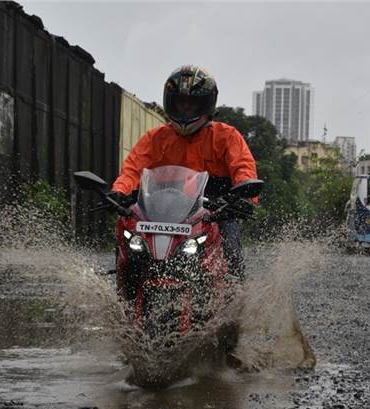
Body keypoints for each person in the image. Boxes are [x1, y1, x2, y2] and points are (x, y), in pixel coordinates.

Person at [109, 65, 259, 278]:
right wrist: (119, 192)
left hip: (215, 212)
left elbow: (244, 169)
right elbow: (132, 169)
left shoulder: (227, 137)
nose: (186, 109)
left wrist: (245, 198)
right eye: (181, 103)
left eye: (192, 103)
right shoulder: (156, 138)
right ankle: (123, 292)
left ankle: (237, 301)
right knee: (128, 242)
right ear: (171, 102)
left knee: (231, 248)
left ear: (206, 104)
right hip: (162, 213)